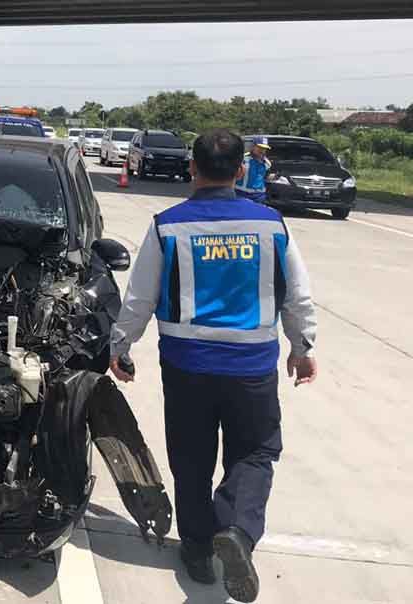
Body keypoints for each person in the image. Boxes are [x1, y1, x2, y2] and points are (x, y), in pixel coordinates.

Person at [108, 129, 317, 603]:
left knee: (192, 458)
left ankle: (199, 552)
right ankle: (239, 532)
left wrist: (120, 346)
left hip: (187, 365)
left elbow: (140, 297)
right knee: (256, 453)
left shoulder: (168, 225)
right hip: (251, 367)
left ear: (191, 169)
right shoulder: (271, 224)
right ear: (242, 170)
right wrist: (302, 347)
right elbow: (298, 295)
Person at [234, 136, 273, 203]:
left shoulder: (267, 163)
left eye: (264, 148)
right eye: (260, 147)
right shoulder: (242, 159)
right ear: (253, 146)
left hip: (258, 196)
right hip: (240, 194)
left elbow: (265, 177)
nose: (262, 150)